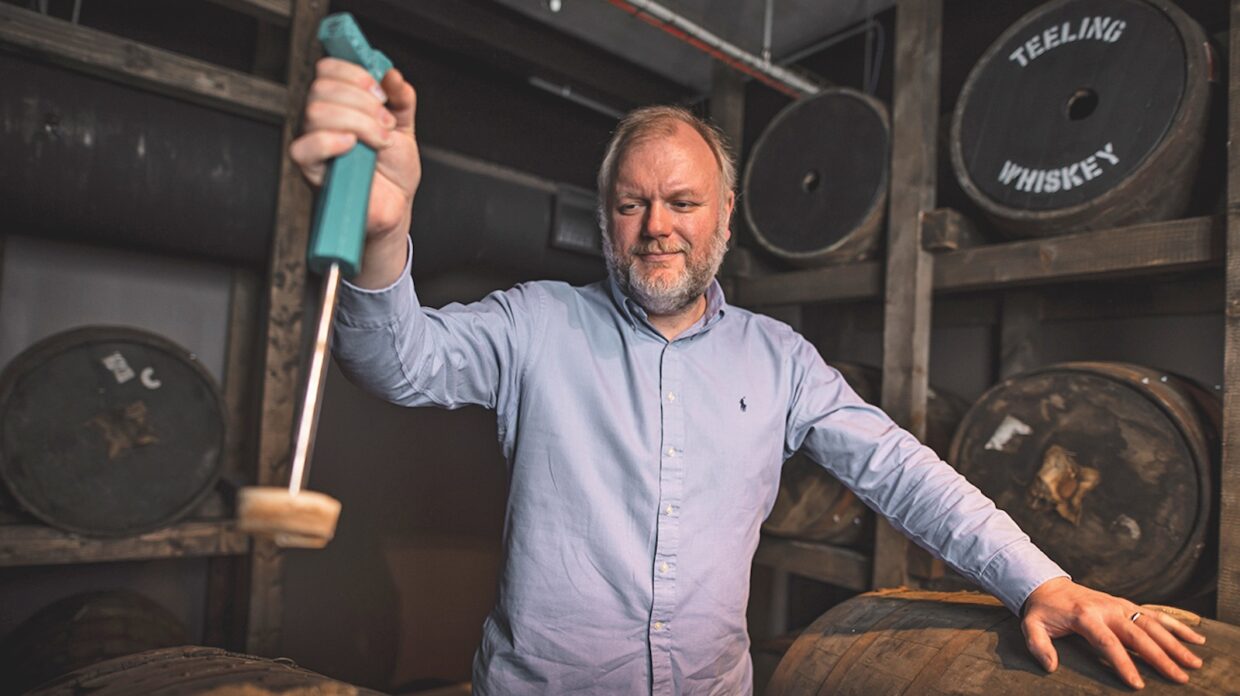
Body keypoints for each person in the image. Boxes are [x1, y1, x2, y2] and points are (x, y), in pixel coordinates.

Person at [290, 59, 1206, 695]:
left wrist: (1039, 581)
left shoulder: (781, 361)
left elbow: (901, 472)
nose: (658, 226)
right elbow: (397, 363)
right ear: (607, 219)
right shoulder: (535, 323)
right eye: (632, 203)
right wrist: (381, 230)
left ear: (724, 219)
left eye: (683, 202)